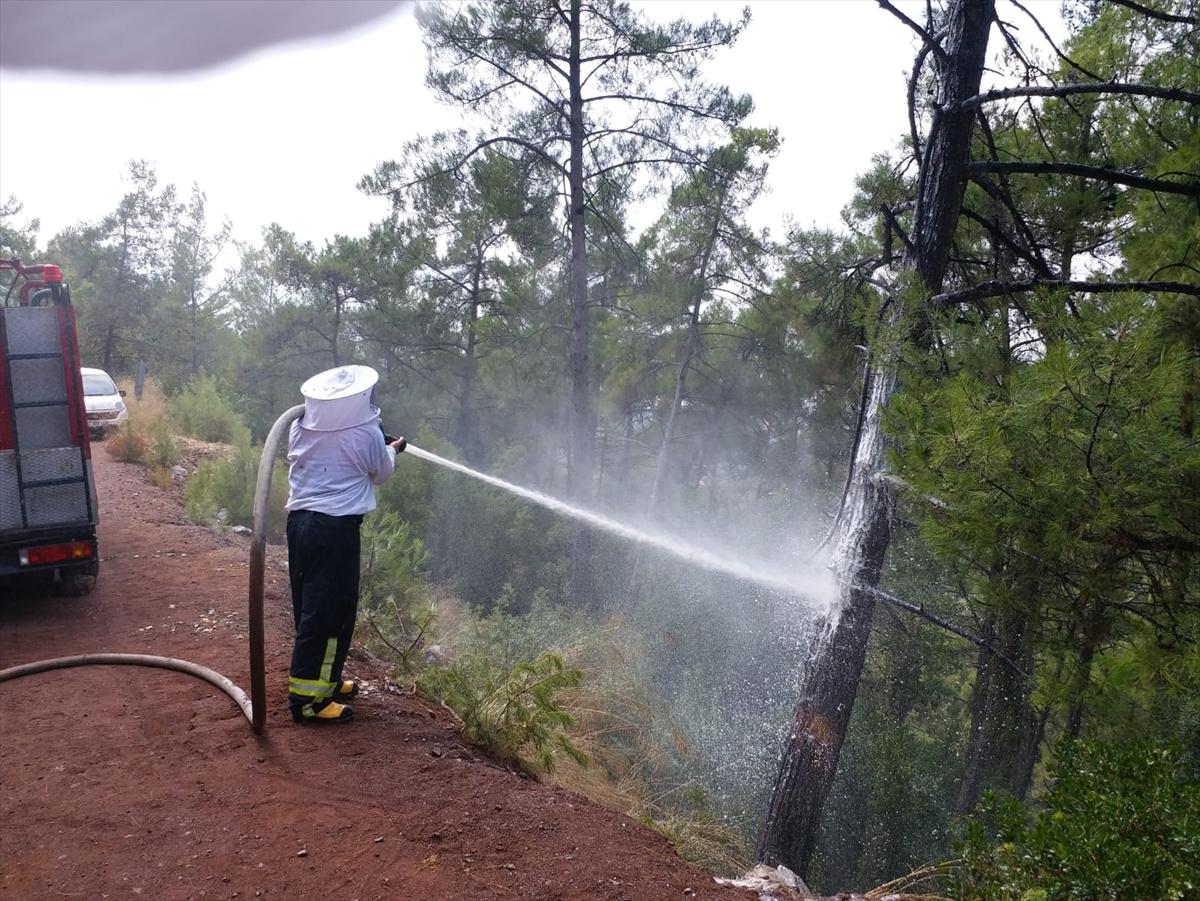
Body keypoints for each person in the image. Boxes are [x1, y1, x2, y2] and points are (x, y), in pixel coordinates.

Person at [284, 364, 405, 724]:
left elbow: (331, 455)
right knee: (329, 613)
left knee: (315, 607)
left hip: (301, 524)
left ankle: (327, 682)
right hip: (335, 530)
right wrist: (393, 449)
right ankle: (308, 703)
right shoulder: (368, 432)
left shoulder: (298, 425)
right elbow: (381, 473)